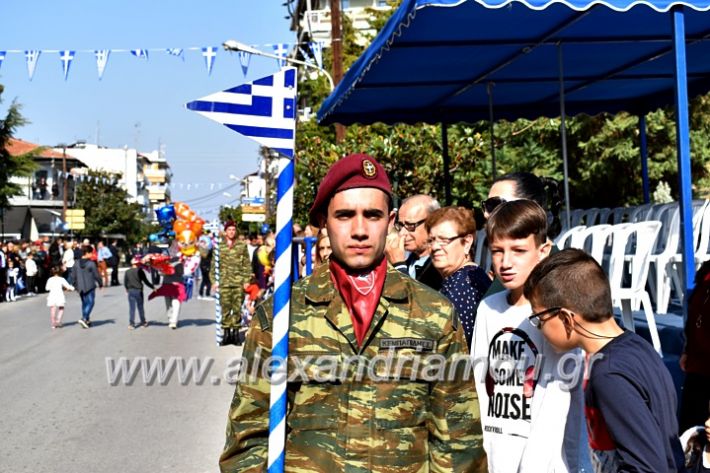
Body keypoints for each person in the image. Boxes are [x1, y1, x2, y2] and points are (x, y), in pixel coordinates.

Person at [219, 153, 486, 472]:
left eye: (372, 215)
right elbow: (248, 439)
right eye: (345, 215)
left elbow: (459, 444)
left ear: (391, 221)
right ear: (324, 222)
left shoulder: (433, 313)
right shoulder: (282, 316)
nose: (359, 230)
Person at [523, 248, 685, 472]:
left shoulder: (608, 375)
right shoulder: (637, 346)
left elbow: (647, 467)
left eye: (539, 318)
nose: (539, 327)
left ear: (566, 318)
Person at [471, 199, 582, 472]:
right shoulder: (488, 308)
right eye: (497, 251)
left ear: (543, 251)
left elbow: (556, 404)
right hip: (496, 454)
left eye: (518, 250)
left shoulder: (555, 315)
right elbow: (478, 382)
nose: (506, 262)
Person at [426, 206, 491, 348]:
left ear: (467, 242)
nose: (435, 247)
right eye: (431, 240)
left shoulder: (462, 288)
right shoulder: (470, 276)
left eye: (444, 240)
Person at [385, 194, 443, 290]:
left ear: (434, 222)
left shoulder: (442, 268)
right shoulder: (408, 260)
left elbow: (417, 302)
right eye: (400, 225)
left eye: (410, 225)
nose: (402, 233)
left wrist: (399, 266)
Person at [210, 220, 252, 345]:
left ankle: (235, 334)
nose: (231, 232)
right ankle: (227, 334)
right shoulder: (219, 246)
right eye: (229, 230)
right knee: (225, 309)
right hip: (223, 282)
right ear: (225, 231)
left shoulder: (241, 245)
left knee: (237, 308)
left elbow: (246, 264)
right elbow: (214, 265)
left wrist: (246, 280)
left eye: (233, 230)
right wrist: (214, 281)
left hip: (238, 282)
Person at [73, 245, 103, 329]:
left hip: (80, 287)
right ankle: (84, 318)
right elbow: (96, 275)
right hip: (90, 286)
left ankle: (86, 321)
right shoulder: (91, 263)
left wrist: (75, 285)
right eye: (91, 253)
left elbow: (73, 275)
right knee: (91, 302)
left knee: (84, 303)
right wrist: (100, 283)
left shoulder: (76, 263)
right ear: (87, 253)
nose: (92, 255)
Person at [124, 255, 154, 329]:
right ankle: (143, 322)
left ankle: (131, 324)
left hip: (130, 291)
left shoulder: (127, 272)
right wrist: (153, 287)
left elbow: (125, 282)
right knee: (140, 307)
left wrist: (127, 289)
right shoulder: (140, 271)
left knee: (132, 308)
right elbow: (146, 281)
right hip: (138, 291)